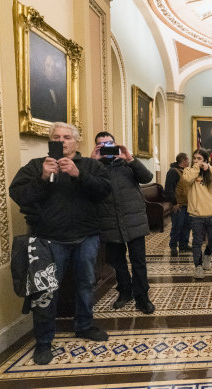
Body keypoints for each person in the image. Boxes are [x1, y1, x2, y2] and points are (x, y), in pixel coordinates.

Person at [9, 122, 112, 365]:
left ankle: (84, 325)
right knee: (45, 292)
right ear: (50, 141)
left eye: (67, 137)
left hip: (86, 237)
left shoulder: (91, 165)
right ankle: (44, 341)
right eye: (57, 137)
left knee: (85, 284)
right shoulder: (37, 166)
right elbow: (19, 194)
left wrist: (80, 175)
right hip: (48, 240)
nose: (63, 141)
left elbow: (104, 191)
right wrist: (43, 178)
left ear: (76, 141)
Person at [91, 132, 156, 314]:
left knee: (139, 262)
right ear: (97, 148)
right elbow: (86, 187)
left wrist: (131, 159)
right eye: (101, 145)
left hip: (133, 221)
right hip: (109, 223)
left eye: (109, 143)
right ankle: (125, 292)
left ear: (116, 144)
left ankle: (142, 298)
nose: (106, 148)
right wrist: (93, 162)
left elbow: (147, 177)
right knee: (118, 263)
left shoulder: (127, 164)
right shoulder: (94, 168)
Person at [182, 148, 212, 279]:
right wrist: (197, 168)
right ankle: (198, 267)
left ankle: (207, 254)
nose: (196, 161)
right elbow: (187, 180)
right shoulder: (188, 171)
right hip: (196, 215)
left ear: (206, 160)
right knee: (197, 242)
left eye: (199, 159)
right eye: (194, 158)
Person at [165, 152, 192, 256]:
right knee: (177, 226)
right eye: (187, 160)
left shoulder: (186, 171)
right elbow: (168, 189)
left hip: (188, 205)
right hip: (178, 205)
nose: (189, 162)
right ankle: (173, 246)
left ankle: (183, 245)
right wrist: (174, 202)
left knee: (187, 226)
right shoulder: (173, 172)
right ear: (183, 160)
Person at [31, 54, 66, 123]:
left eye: (53, 67)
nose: (51, 70)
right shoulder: (38, 89)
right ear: (43, 68)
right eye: (48, 66)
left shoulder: (60, 90)